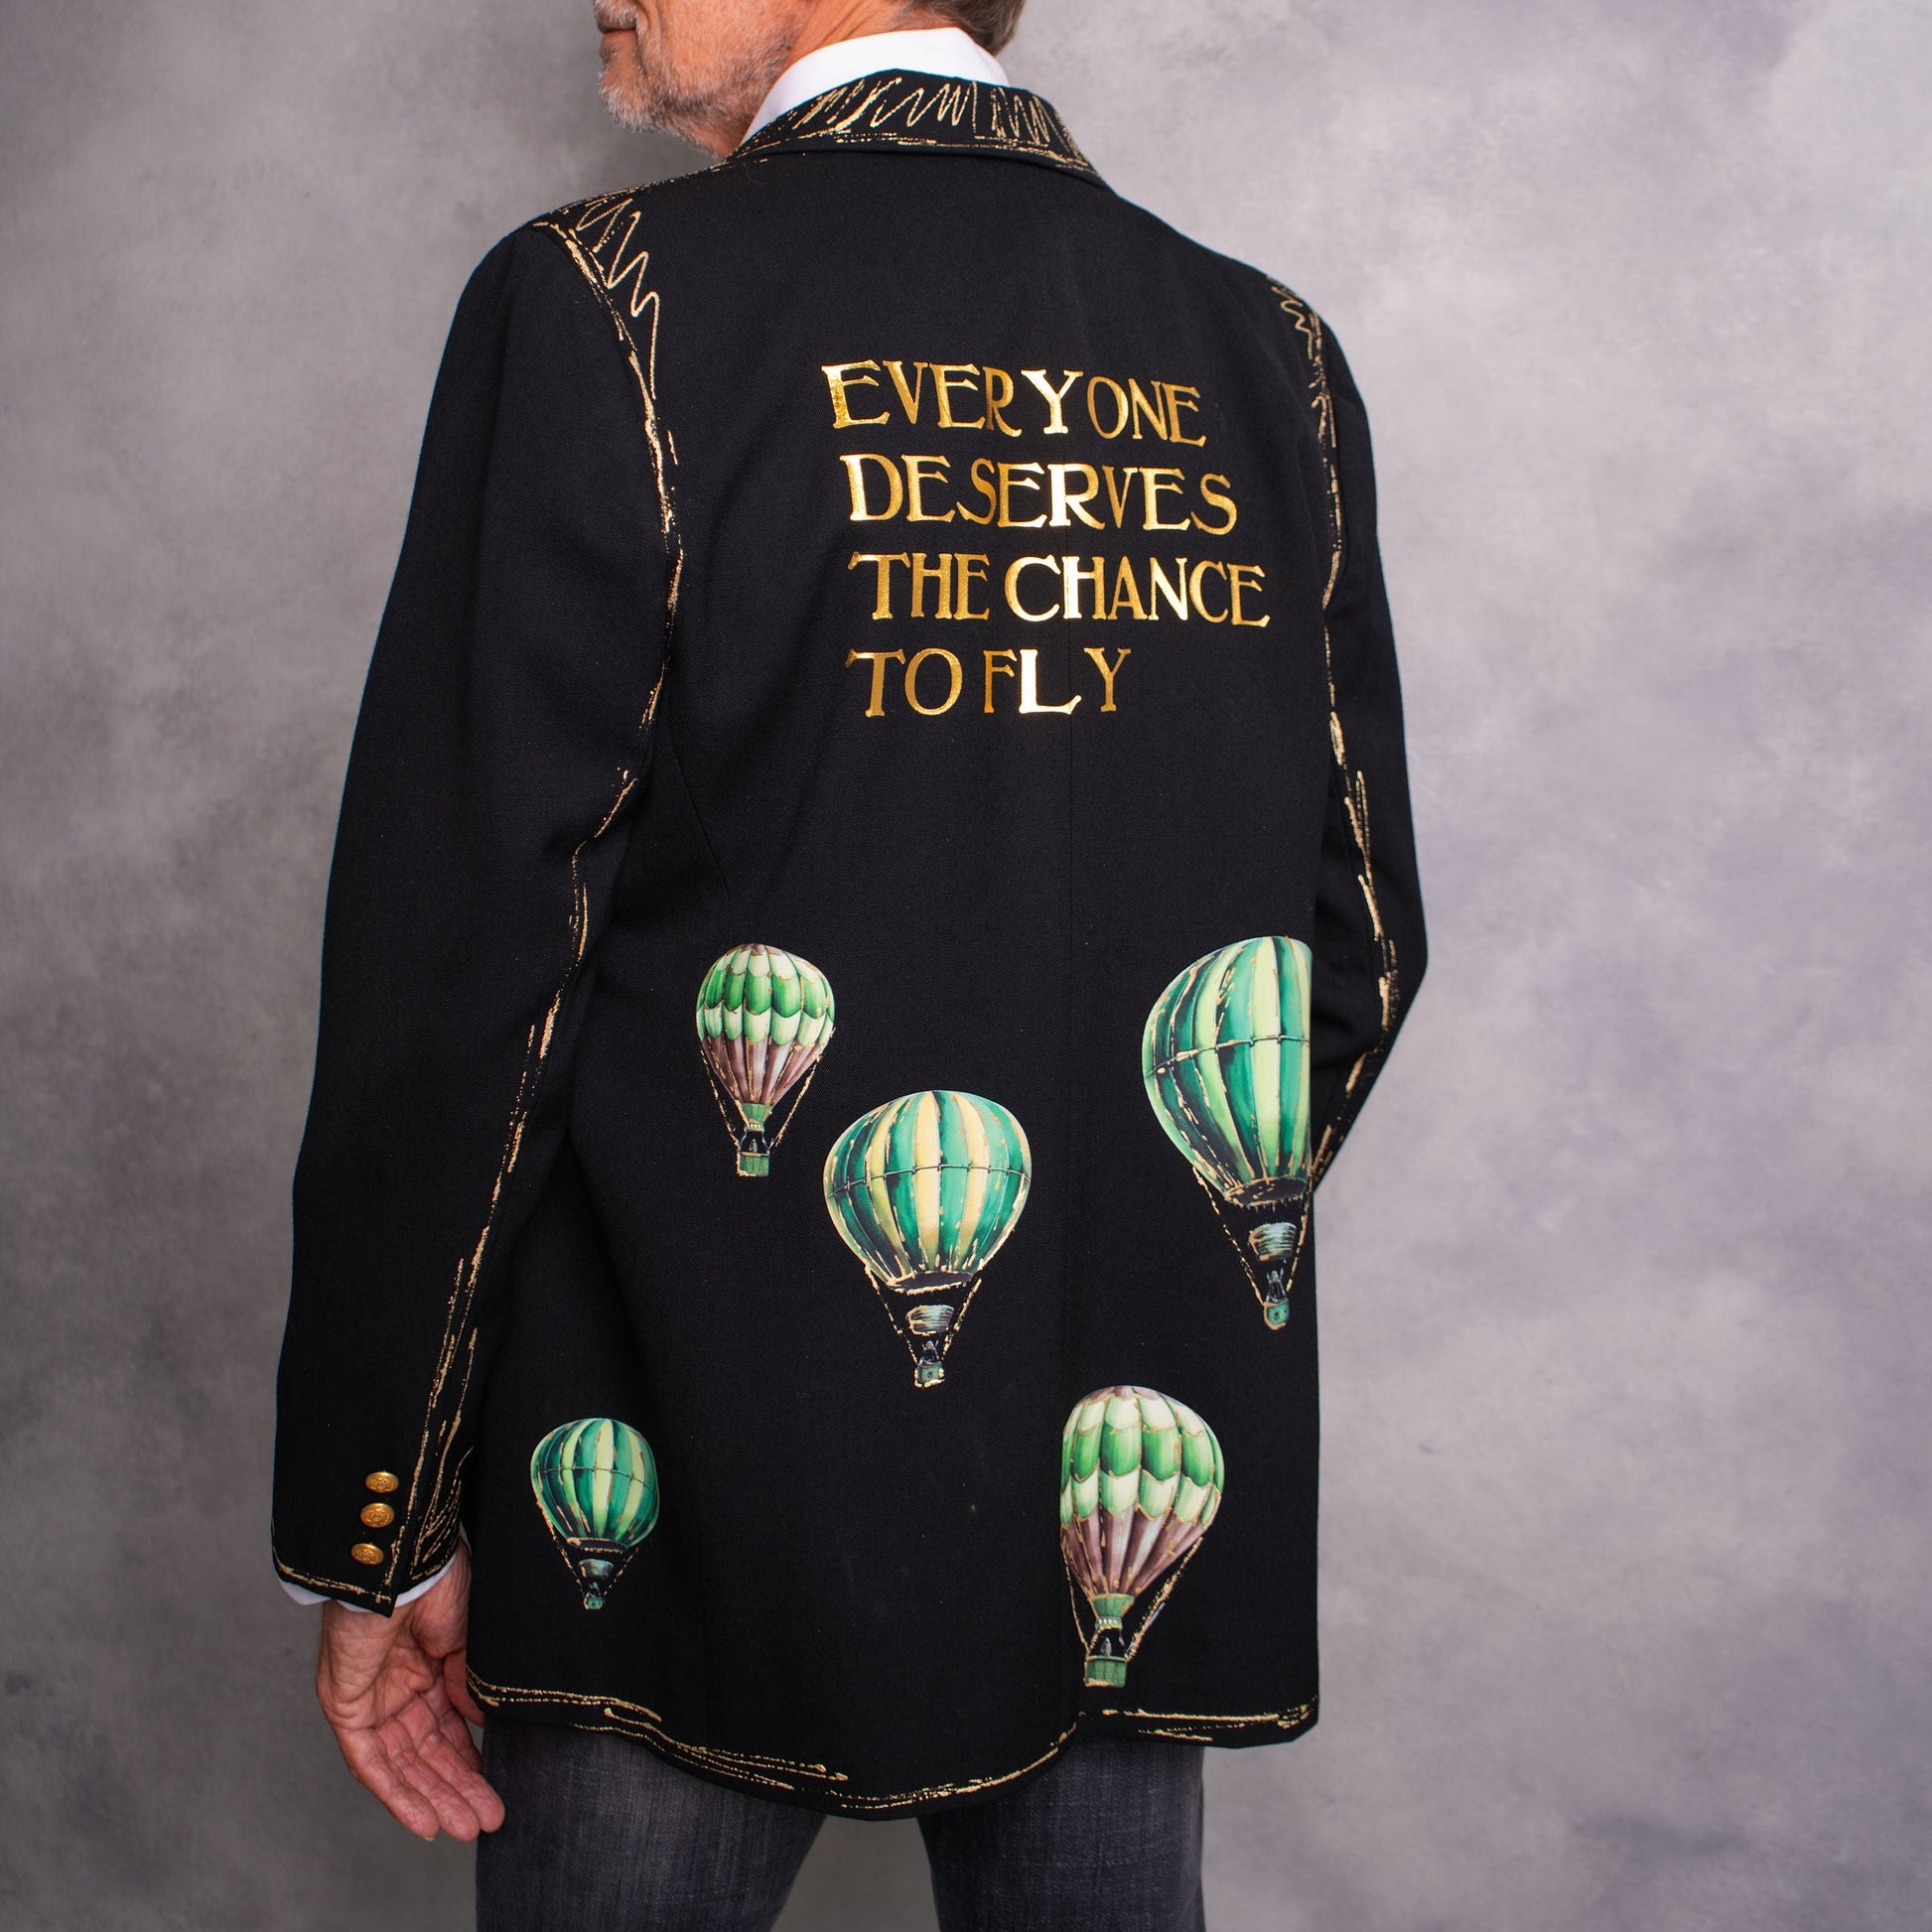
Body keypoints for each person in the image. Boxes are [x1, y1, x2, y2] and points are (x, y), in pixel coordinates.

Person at [272, 1, 1427, 1925]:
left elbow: (461, 975)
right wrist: (1110, 1284)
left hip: (667, 1472)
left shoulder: (605, 300)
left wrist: (376, 1516)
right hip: (1100, 1473)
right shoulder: (1266, 351)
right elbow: (1356, 937)